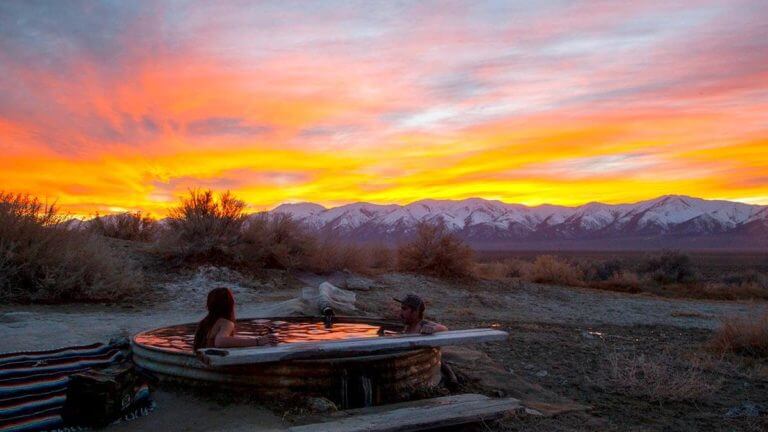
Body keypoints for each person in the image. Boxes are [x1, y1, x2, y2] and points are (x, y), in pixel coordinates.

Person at [193, 287, 277, 350]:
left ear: (209, 305)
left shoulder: (204, 322)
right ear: (231, 304)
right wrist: (257, 341)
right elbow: (220, 342)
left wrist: (247, 339)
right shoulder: (226, 323)